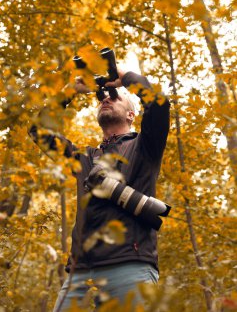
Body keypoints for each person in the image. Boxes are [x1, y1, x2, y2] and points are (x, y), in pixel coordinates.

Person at [31, 63, 170, 311]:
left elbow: (159, 103)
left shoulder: (145, 146)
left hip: (130, 266)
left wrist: (124, 78)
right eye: (102, 100)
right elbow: (38, 131)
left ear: (131, 115)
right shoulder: (84, 158)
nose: (106, 100)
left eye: (115, 99)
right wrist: (69, 92)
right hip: (79, 273)